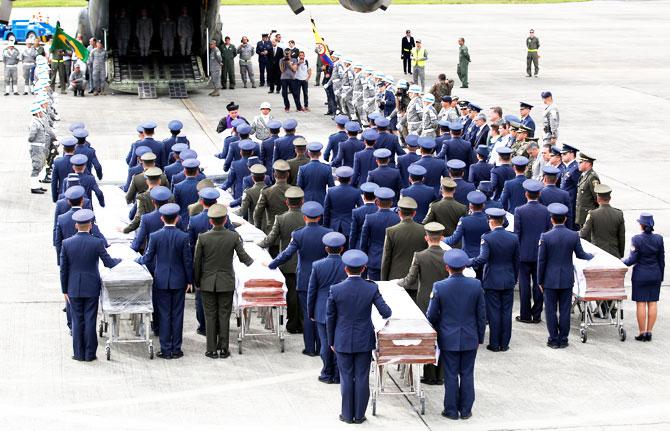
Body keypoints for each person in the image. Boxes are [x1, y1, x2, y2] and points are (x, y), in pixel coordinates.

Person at [327, 249, 392, 424]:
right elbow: (386, 312)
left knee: (346, 377)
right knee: (362, 376)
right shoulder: (371, 288)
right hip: (364, 339)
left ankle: (347, 415)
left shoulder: (335, 289)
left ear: (345, 269)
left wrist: (331, 340)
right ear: (363, 269)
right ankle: (359, 415)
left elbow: (330, 318)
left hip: (342, 339)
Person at [427, 249, 485, 420]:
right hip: (470, 337)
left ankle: (451, 410)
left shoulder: (439, 287)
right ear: (464, 267)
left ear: (447, 267)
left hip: (448, 337)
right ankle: (466, 410)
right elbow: (481, 315)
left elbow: (431, 315)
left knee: (451, 374)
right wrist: (479, 337)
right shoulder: (476, 285)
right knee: (467, 373)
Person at [269, 201, 332, 356]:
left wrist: (271, 264)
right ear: (319, 217)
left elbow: (286, 254)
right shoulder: (328, 233)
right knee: (322, 313)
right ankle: (322, 347)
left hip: (305, 279)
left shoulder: (298, 234)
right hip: (324, 279)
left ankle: (310, 348)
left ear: (305, 217)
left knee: (308, 314)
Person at [60, 209, 121, 361]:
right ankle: (90, 354)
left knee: (77, 320)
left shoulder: (66, 244)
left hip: (73, 287)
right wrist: (120, 260)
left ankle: (78, 354)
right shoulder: (97, 242)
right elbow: (109, 263)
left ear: (76, 226)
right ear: (91, 225)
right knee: (90, 320)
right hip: (91, 287)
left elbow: (63, 269)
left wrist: (64, 290)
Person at [194, 204, 253, 358]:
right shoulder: (233, 237)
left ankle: (211, 349)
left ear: (211, 221)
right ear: (225, 219)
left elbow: (197, 263)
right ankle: (224, 349)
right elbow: (244, 258)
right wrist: (257, 263)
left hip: (207, 282)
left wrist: (197, 282)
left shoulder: (203, 238)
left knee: (210, 316)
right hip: (226, 282)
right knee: (224, 315)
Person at [136, 203, 193, 359]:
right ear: (177, 219)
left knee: (164, 315)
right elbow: (187, 261)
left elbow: (147, 258)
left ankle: (165, 349)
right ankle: (177, 349)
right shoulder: (183, 237)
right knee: (177, 315)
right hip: (178, 280)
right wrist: (190, 280)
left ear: (162, 218)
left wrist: (136, 260)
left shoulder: (155, 236)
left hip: (161, 280)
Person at [537, 203, 594, 348]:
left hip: (549, 279)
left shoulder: (546, 237)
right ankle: (563, 339)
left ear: (552, 219)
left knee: (550, 310)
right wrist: (592, 256)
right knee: (565, 310)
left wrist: (539, 280)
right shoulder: (573, 235)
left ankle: (553, 339)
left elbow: (541, 261)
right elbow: (581, 254)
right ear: (565, 219)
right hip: (567, 279)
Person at [398, 222, 447, 383]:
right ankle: (440, 375)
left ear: (426, 238)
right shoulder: (448, 256)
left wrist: (396, 282)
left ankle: (429, 374)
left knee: (428, 338)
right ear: (442, 238)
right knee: (442, 336)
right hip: (445, 302)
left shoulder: (419, 256)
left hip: (425, 301)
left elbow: (409, 280)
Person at [469, 208, 519, 352]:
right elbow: (516, 261)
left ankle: (494, 343)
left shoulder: (487, 238)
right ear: (503, 221)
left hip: (492, 279)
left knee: (494, 312)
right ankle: (505, 344)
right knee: (506, 312)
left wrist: (467, 261)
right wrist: (514, 278)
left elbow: (482, 258)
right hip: (508, 279)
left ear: (491, 221)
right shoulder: (513, 237)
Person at [257, 186, 305, 333]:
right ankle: (303, 324)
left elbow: (270, 240)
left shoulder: (281, 218)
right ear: (302, 202)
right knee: (303, 295)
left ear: (286, 202)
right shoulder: (307, 217)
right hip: (304, 264)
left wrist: (257, 244)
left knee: (291, 294)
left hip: (288, 263)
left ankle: (292, 324)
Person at [308, 232, 347, 384]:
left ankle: (326, 372)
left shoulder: (317, 266)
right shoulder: (347, 265)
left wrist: (311, 311)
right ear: (342, 249)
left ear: (326, 249)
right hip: (341, 309)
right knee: (337, 342)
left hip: (322, 309)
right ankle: (338, 374)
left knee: (325, 342)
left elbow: (312, 291)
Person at [622, 213, 665, 341]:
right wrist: (660, 276)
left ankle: (642, 332)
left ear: (641, 225)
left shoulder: (636, 239)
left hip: (641, 275)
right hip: (655, 274)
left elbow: (632, 260)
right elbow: (661, 260)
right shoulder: (659, 239)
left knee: (641, 303)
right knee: (652, 303)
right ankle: (649, 332)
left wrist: (621, 261)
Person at [514, 180, 551, 324]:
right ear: (539, 194)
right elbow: (548, 233)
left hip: (524, 253)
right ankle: (536, 314)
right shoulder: (547, 211)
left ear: (526, 194)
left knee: (524, 285)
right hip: (541, 253)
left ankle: (525, 314)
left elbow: (517, 234)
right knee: (539, 284)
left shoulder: (519, 210)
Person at [380, 197, 427, 283]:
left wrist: (384, 281)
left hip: (395, 279)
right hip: (416, 280)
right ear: (414, 213)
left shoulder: (391, 231)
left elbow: (386, 259)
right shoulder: (424, 230)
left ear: (399, 212)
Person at [359, 187, 399, 280]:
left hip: (374, 259)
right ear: (391, 203)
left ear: (377, 202)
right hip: (392, 260)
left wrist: (363, 259)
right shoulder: (397, 219)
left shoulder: (369, 218)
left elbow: (364, 242)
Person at [323, 166, 362, 243]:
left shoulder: (331, 191)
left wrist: (326, 226)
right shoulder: (356, 192)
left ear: (337, 178)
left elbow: (326, 211)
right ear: (350, 179)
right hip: (349, 226)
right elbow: (361, 209)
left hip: (333, 226)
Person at [575, 152, 600, 228]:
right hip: (582, 215)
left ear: (587, 163)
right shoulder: (584, 175)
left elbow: (598, 197)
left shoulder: (592, 177)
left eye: (580, 162)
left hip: (588, 215)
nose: (578, 164)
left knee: (587, 238)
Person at [559, 144, 580, 229]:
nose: (562, 156)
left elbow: (578, 188)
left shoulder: (575, 169)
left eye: (564, 154)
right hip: (564, 203)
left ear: (571, 154)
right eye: (561, 154)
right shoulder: (566, 167)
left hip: (570, 205)